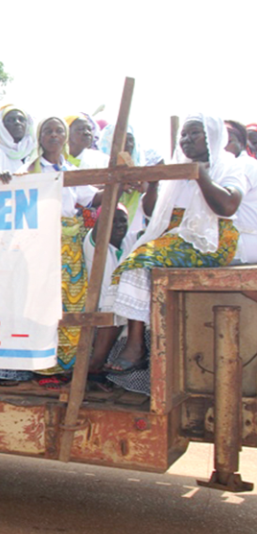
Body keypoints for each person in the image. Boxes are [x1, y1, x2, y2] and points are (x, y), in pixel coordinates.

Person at [92, 114, 244, 393]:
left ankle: (136, 345)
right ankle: (118, 355)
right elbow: (154, 213)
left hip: (209, 238)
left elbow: (227, 206)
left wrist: (200, 175)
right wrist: (154, 186)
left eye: (194, 133)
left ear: (211, 135)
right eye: (183, 135)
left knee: (139, 260)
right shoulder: (178, 171)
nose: (185, 140)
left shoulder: (228, 166)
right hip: (176, 236)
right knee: (128, 265)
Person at [19, 117, 102, 385]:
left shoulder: (69, 170)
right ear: (39, 137)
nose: (54, 135)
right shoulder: (29, 170)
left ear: (65, 138)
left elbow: (90, 198)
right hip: (40, 243)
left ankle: (67, 367)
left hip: (70, 246)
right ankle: (44, 369)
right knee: (42, 304)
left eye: (59, 131)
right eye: (48, 131)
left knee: (72, 304)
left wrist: (118, 183)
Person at [224, 120, 257, 264]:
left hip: (244, 243)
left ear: (242, 144)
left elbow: (227, 204)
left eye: (228, 141)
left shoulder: (244, 165)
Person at [82, 204, 133, 288]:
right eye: (113, 221)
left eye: (123, 220)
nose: (119, 225)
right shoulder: (93, 245)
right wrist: (116, 192)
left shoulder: (130, 241)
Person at [0, 105, 36, 176]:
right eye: (11, 120)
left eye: (21, 119)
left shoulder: (35, 152)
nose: (17, 122)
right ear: (2, 126)